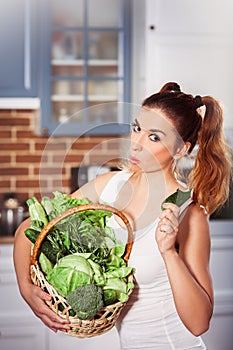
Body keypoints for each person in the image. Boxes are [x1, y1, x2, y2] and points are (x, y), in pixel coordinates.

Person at [13, 82, 232, 349]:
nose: (136, 144)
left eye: (154, 137)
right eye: (137, 128)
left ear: (180, 149)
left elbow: (199, 322)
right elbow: (31, 228)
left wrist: (169, 253)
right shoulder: (109, 186)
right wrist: (25, 287)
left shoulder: (188, 211)